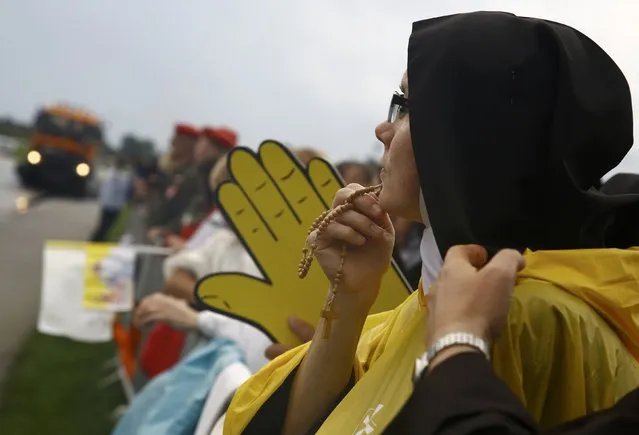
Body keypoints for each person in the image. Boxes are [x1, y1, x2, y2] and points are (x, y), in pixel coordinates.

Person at [224, 12, 639, 434]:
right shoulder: (439, 301)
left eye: (404, 106)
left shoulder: (521, 316)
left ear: (466, 133)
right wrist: (349, 301)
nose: (382, 129)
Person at [146, 123, 201, 243]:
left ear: (187, 144)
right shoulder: (172, 170)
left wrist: (167, 229)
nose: (171, 144)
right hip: (153, 229)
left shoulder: (194, 176)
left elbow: (190, 211)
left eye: (176, 141)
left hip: (170, 237)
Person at [89, 155, 131, 242]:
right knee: (104, 225)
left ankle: (100, 239)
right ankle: (96, 240)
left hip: (115, 205)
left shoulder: (124, 176)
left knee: (109, 226)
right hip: (109, 203)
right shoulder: (108, 174)